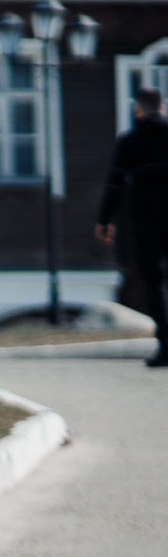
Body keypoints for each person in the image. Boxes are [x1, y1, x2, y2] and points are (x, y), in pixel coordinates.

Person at [97, 85, 168, 369]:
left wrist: (104, 220)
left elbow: (114, 183)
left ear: (138, 109)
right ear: (161, 107)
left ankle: (166, 345)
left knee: (154, 284)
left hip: (147, 221)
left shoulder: (130, 140)